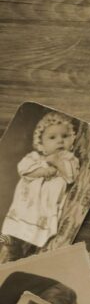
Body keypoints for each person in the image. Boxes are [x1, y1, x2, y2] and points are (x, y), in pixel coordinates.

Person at [0, 111, 79, 263]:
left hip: (45, 209)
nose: (60, 141)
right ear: (40, 144)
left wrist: (57, 162)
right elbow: (23, 169)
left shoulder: (69, 159)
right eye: (52, 137)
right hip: (25, 206)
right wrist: (42, 171)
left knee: (38, 238)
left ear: (72, 139)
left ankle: (26, 255)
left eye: (65, 136)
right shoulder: (35, 157)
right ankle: (12, 251)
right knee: (13, 236)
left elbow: (70, 177)